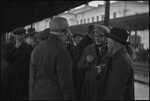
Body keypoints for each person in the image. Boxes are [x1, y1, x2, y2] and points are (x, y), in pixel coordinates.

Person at [29, 17, 76, 100]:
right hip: (54, 96)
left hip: (38, 94)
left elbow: (32, 77)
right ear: (66, 29)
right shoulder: (62, 51)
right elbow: (66, 83)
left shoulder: (37, 49)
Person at [77, 25, 111, 100]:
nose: (97, 38)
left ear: (106, 38)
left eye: (100, 36)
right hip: (89, 85)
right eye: (95, 36)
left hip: (103, 85)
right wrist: (87, 61)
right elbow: (79, 65)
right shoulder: (88, 49)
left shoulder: (110, 51)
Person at [2, 27, 33, 100]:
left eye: (23, 34)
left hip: (22, 74)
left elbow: (29, 61)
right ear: (15, 35)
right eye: (19, 34)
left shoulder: (27, 47)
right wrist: (16, 48)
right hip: (11, 73)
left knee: (19, 94)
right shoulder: (10, 45)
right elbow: (6, 57)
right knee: (9, 92)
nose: (21, 36)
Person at [103, 27, 134, 100]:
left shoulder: (121, 61)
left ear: (115, 43)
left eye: (108, 41)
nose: (107, 44)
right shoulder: (119, 57)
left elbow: (115, 92)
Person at [72, 25, 95, 99]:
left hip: (79, 78)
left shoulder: (85, 42)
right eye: (96, 34)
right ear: (91, 33)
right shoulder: (87, 44)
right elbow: (78, 63)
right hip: (81, 78)